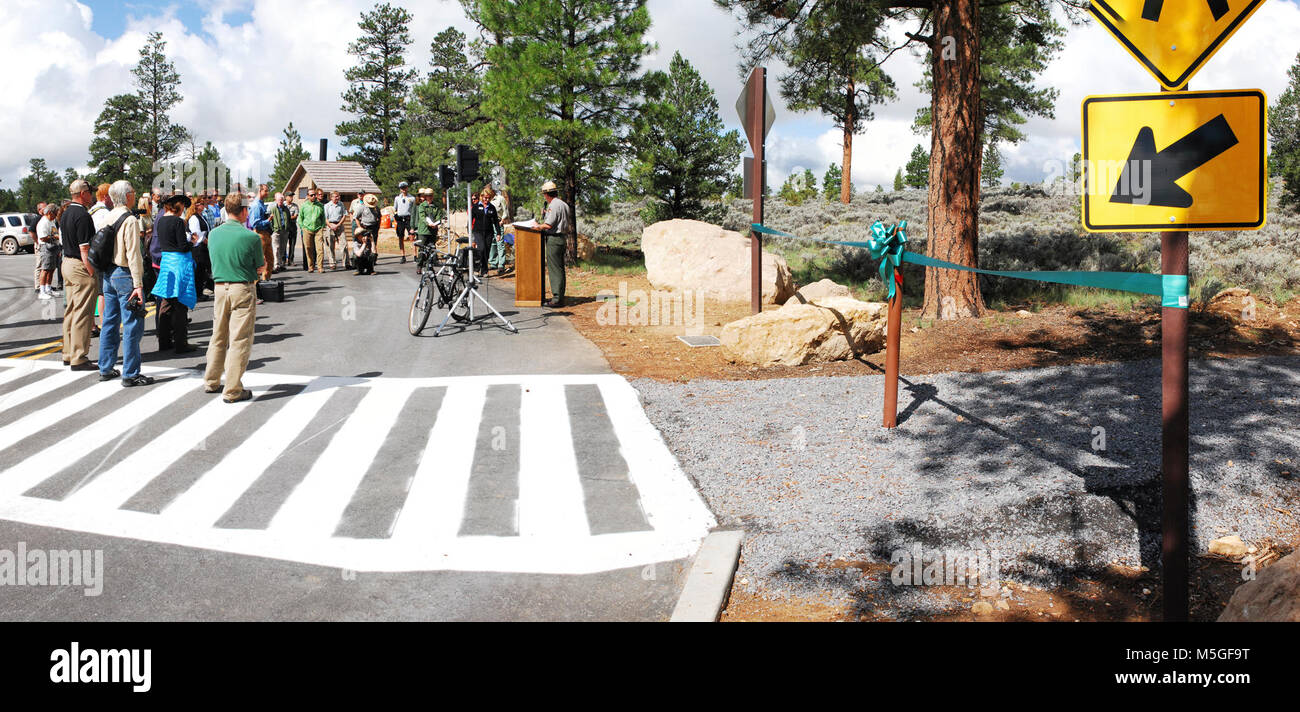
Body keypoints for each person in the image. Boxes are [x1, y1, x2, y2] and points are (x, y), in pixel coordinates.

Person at [203, 192, 264, 404]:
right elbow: (260, 266)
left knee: (218, 334)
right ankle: (232, 389)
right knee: (239, 339)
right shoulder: (251, 237)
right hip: (242, 287)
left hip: (220, 287)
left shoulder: (214, 234)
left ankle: (211, 380)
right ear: (244, 211)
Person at [98, 181, 153, 387]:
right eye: (133, 192)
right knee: (132, 324)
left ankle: (105, 367)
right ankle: (130, 373)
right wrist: (138, 284)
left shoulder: (107, 216)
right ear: (128, 195)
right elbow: (133, 254)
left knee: (110, 322)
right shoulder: (130, 220)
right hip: (124, 273)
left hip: (108, 273)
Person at [59, 180, 99, 370]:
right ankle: (79, 356)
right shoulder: (82, 215)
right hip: (79, 265)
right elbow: (85, 249)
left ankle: (68, 352)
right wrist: (91, 271)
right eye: (90, 192)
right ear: (83, 193)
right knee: (83, 313)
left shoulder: (66, 212)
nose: (91, 195)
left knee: (71, 311)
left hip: (67, 262)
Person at [151, 194, 198, 354]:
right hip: (179, 264)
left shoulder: (161, 220)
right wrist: (192, 242)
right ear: (177, 206)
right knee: (180, 305)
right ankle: (181, 343)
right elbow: (182, 247)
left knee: (166, 303)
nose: (184, 210)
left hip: (166, 263)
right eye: (183, 207)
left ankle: (163, 341)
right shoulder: (178, 222)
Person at [535, 180, 571, 308]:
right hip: (561, 238)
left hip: (554, 239)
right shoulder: (563, 204)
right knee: (559, 268)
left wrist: (537, 227)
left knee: (555, 269)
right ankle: (560, 296)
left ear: (546, 194)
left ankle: (557, 299)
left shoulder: (553, 205)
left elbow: (549, 224)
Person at [470, 185, 500, 276]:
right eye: (485, 198)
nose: (486, 200)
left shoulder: (492, 208)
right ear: (481, 197)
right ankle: (476, 267)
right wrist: (470, 233)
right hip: (478, 231)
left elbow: (495, 222)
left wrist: (498, 233)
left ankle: (484, 271)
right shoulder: (476, 207)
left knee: (487, 251)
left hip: (489, 232)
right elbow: (470, 220)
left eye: (488, 198)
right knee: (481, 249)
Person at [187, 195, 213, 301]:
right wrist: (207, 241)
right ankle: (197, 293)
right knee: (198, 271)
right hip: (198, 248)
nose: (203, 205)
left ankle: (199, 291)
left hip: (203, 247)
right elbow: (196, 234)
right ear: (196, 206)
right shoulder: (194, 218)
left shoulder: (201, 216)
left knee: (202, 270)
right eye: (201, 204)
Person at [36, 204, 61, 300]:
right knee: (45, 269)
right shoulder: (44, 222)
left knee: (52, 269)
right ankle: (42, 291)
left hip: (53, 247)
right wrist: (54, 237)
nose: (56, 215)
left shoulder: (51, 221)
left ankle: (48, 288)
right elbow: (43, 237)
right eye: (55, 213)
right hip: (46, 248)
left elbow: (54, 232)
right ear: (50, 212)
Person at [248, 184, 273, 282]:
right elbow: (255, 223)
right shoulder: (256, 205)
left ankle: (266, 283)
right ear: (260, 191)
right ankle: (256, 286)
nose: (267, 193)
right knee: (259, 261)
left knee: (270, 260)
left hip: (266, 234)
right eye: (265, 191)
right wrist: (268, 220)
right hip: (259, 234)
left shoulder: (262, 203)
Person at [413, 187, 442, 268]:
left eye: (431, 195)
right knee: (422, 249)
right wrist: (428, 223)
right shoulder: (422, 206)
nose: (430, 197)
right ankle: (419, 265)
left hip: (433, 231)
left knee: (431, 249)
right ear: (425, 196)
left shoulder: (436, 206)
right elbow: (422, 217)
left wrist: (436, 223)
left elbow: (439, 216)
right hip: (424, 231)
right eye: (428, 195)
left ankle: (429, 266)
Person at [353, 194, 381, 275]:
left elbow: (379, 217)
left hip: (373, 228)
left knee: (372, 246)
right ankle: (359, 268)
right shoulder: (361, 207)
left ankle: (371, 268)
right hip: (364, 227)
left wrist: (377, 227)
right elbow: (356, 217)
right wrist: (360, 228)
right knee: (362, 245)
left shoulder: (376, 208)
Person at [299, 187, 324, 273]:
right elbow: (300, 218)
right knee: (308, 248)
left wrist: (322, 226)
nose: (314, 196)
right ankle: (311, 266)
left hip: (318, 229)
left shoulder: (320, 205)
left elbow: (323, 217)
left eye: (315, 195)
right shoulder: (304, 205)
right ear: (308, 196)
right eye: (311, 195)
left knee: (320, 249)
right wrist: (302, 227)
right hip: (307, 229)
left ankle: (320, 267)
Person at [324, 191, 347, 271]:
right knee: (330, 246)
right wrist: (331, 225)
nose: (337, 198)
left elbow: (344, 215)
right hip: (330, 226)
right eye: (336, 196)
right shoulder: (327, 206)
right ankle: (332, 263)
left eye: (338, 196)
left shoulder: (341, 204)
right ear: (331, 197)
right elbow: (325, 218)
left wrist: (338, 225)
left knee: (344, 244)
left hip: (339, 225)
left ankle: (346, 263)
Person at [393, 181, 414, 264]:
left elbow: (414, 209)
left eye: (405, 187)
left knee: (412, 237)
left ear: (407, 188)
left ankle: (415, 255)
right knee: (401, 238)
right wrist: (395, 217)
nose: (403, 189)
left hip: (409, 219)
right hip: (400, 220)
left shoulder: (412, 198)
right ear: (400, 189)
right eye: (402, 188)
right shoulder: (397, 198)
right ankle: (403, 256)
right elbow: (395, 209)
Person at [269, 192, 290, 273]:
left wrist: (288, 228)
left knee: (282, 248)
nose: (281, 201)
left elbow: (288, 219)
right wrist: (273, 229)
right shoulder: (273, 209)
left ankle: (281, 264)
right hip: (276, 231)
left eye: (282, 200)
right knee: (276, 248)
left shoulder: (286, 209)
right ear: (276, 200)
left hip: (284, 231)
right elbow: (270, 220)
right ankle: (276, 265)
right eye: (279, 200)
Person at [283, 191, 300, 268]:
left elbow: (296, 216)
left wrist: (287, 217)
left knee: (292, 244)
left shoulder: (295, 206)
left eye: (292, 196)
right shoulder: (282, 205)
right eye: (290, 196)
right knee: (283, 244)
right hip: (285, 227)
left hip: (293, 226)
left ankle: (291, 260)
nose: (291, 198)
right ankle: (283, 260)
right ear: (286, 197)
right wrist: (289, 217)